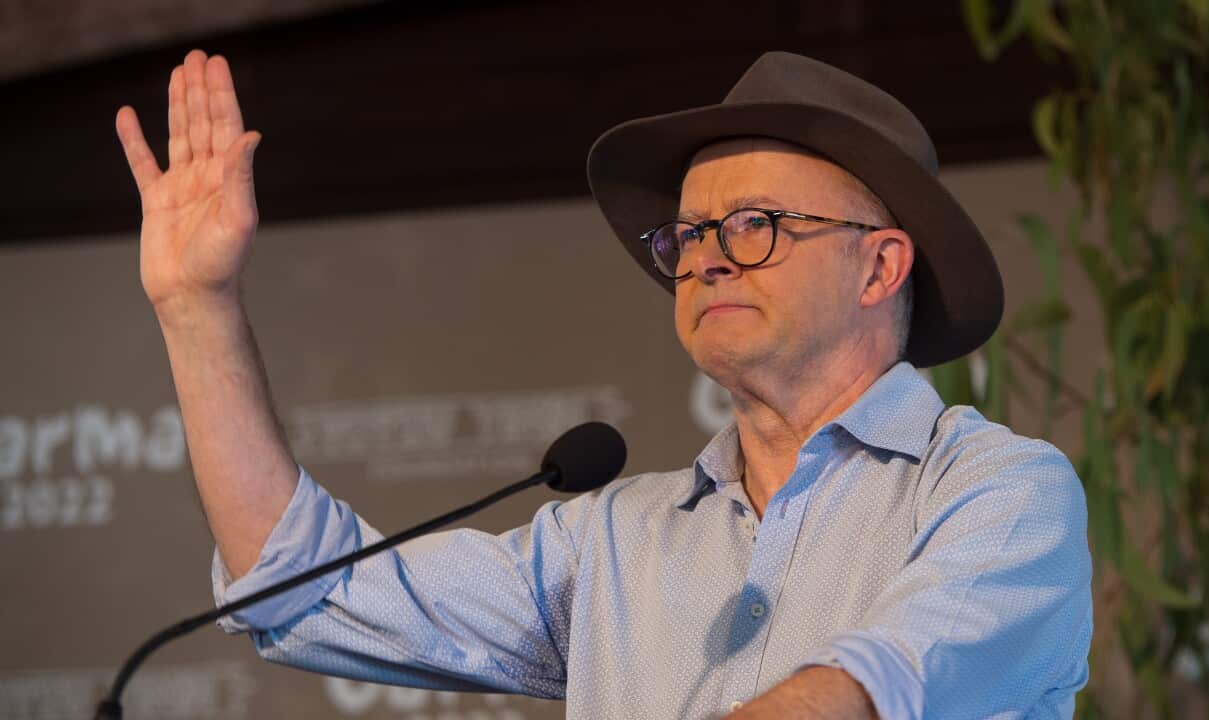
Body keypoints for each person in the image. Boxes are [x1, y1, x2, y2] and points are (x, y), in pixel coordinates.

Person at [114, 49, 1092, 719]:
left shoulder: (995, 493)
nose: (705, 260)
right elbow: (303, 587)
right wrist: (196, 307)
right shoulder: (614, 538)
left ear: (878, 268)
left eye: (752, 226)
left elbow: (864, 690)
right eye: (690, 235)